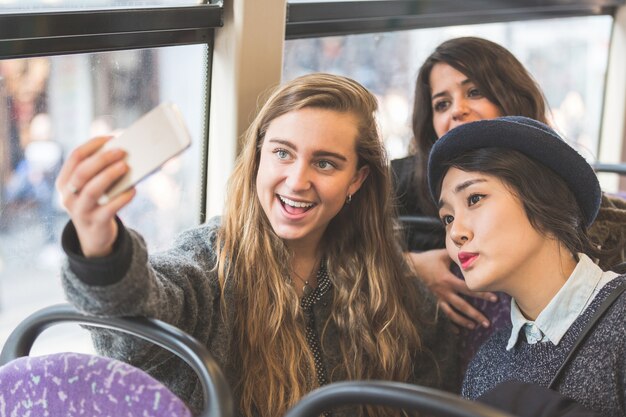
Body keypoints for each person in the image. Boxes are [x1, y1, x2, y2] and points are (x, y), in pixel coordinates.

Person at [56, 73, 458, 417]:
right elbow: (136, 330)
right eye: (283, 153)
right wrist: (100, 245)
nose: (297, 180)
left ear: (356, 180)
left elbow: (427, 390)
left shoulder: (384, 277)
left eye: (325, 163)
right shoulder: (211, 263)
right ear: (259, 158)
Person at [391, 36, 626, 366]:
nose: (457, 110)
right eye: (441, 104)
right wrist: (408, 264)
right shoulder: (404, 184)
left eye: (474, 92)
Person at [427, 116, 625, 417]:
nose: (455, 233)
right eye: (448, 218)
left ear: (543, 198)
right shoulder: (486, 365)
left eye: (475, 198)